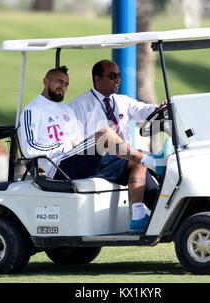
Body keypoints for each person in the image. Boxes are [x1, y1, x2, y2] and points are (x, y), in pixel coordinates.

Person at [19, 66, 159, 234]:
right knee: (105, 133)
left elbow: (77, 140)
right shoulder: (32, 110)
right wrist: (64, 145)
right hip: (57, 166)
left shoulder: (66, 110)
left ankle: (144, 218)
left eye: (66, 84)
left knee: (135, 161)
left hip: (76, 159)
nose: (62, 86)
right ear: (45, 81)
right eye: (59, 81)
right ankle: (152, 162)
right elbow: (29, 148)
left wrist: (76, 144)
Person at [69, 59, 164, 233]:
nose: (117, 80)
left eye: (119, 76)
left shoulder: (122, 101)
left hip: (121, 160)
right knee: (140, 161)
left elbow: (144, 111)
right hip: (95, 161)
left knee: (155, 191)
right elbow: (76, 143)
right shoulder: (79, 105)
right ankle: (139, 219)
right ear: (97, 79)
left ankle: (171, 218)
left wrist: (159, 109)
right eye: (112, 76)